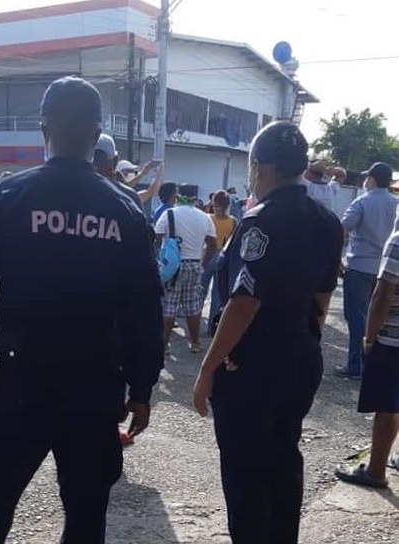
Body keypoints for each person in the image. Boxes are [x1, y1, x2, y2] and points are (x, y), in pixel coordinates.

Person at [0, 76, 164, 543]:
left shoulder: (8, 197)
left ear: (43, 129)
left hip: (21, 378)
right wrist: (142, 385)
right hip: (94, 384)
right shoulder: (125, 210)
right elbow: (144, 306)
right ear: (96, 133)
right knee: (85, 517)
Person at [193, 122, 343, 544]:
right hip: (300, 355)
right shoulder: (328, 221)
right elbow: (322, 297)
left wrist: (205, 370)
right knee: (282, 461)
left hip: (253, 364)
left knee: (245, 475)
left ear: (258, 166)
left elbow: (243, 303)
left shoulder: (260, 219)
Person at [335, 207, 399, 488]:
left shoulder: (398, 240)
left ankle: (375, 471)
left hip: (393, 338)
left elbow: (383, 293)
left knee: (387, 405)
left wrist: (370, 337)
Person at [335, 162, 399, 379]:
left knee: (357, 318)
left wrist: (336, 259)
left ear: (371, 179)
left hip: (360, 267)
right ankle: (376, 367)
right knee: (384, 318)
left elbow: (342, 228)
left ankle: (356, 367)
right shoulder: (397, 204)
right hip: (389, 271)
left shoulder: (361, 201)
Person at [155, 183, 217, 354]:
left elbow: (156, 236)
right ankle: (195, 343)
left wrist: (161, 256)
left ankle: (164, 345)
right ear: (195, 198)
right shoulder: (204, 217)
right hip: (195, 263)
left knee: (169, 306)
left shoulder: (169, 214)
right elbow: (213, 244)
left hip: (173, 267)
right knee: (193, 306)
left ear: (178, 195)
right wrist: (203, 264)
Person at [201, 190, 237, 330]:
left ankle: (196, 321)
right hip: (222, 255)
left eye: (217, 206)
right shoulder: (233, 221)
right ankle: (212, 326)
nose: (217, 209)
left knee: (201, 290)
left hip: (208, 254)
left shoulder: (207, 217)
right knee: (217, 293)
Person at [93, 134, 163, 205]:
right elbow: (148, 192)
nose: (131, 174)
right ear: (115, 162)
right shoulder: (126, 199)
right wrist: (159, 172)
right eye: (128, 171)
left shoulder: (84, 191)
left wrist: (142, 173)